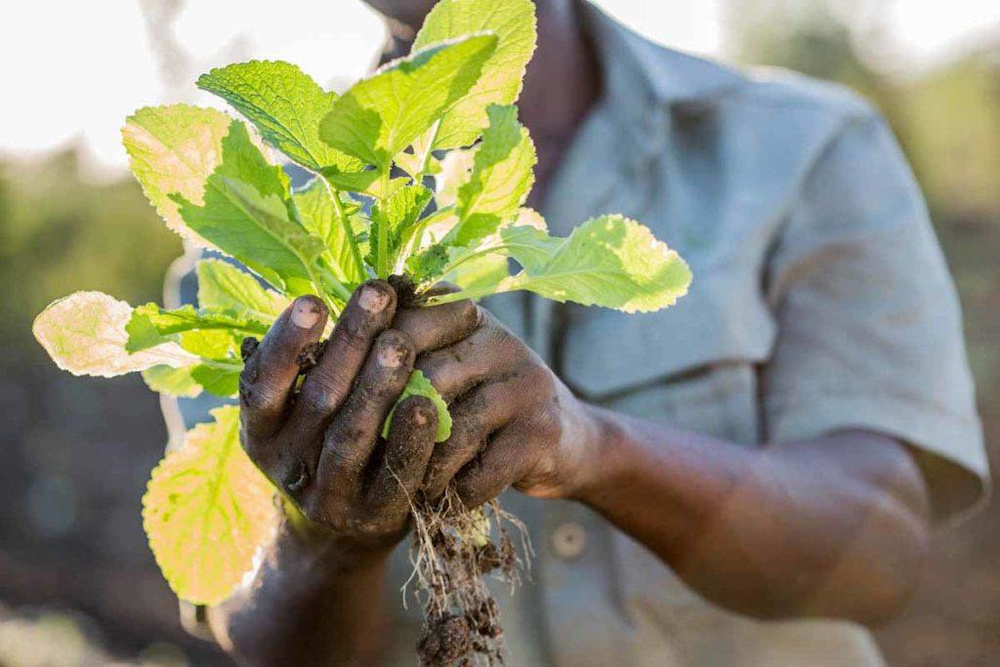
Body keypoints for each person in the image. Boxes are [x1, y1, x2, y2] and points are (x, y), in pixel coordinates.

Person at [164, 1, 989, 664]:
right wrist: (323, 543)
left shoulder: (803, 149)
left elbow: (879, 550)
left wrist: (592, 445)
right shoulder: (255, 236)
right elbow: (253, 621)